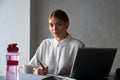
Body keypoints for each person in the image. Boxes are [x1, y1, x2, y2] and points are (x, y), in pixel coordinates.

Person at [29, 9, 85, 76]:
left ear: (67, 23)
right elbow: (30, 67)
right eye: (51, 25)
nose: (54, 29)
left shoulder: (78, 46)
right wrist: (36, 71)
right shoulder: (45, 44)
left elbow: (82, 74)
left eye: (59, 24)